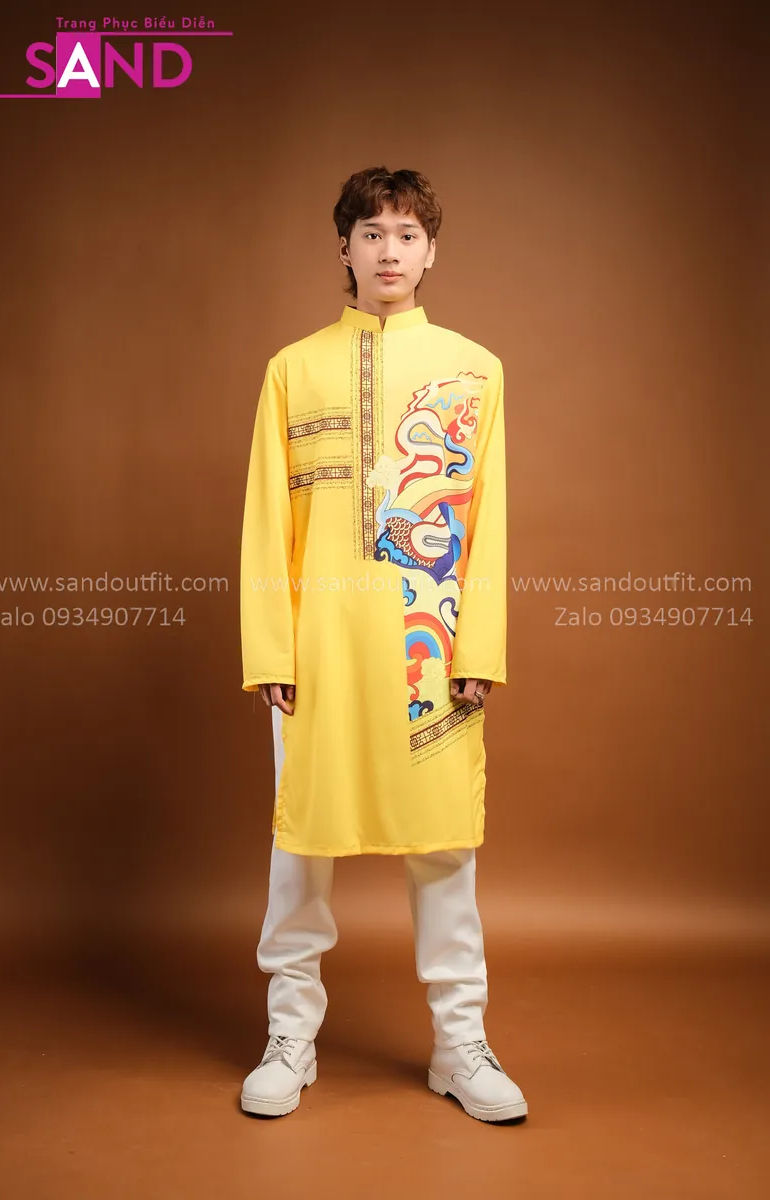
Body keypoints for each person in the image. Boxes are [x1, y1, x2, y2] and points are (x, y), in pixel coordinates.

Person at [238, 166, 527, 1123]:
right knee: (299, 849)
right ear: (345, 249)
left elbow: (487, 522)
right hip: (317, 652)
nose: (389, 251)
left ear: (431, 251)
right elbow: (264, 523)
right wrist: (271, 653)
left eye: (407, 234)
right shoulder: (293, 368)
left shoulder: (474, 371)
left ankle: (460, 1045)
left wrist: (477, 645)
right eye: (372, 233)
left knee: (443, 847)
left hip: (426, 643)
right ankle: (290, 1037)